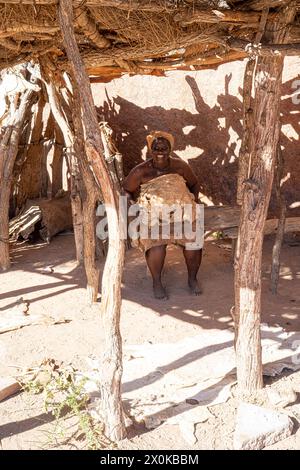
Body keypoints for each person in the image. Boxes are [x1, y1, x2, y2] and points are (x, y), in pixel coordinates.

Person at [123, 131, 202, 300]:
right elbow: (127, 190)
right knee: (157, 246)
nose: (160, 151)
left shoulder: (180, 166)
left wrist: (193, 199)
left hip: (182, 214)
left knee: (193, 243)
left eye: (164, 148)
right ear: (150, 150)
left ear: (170, 150)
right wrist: (134, 207)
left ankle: (192, 279)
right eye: (156, 148)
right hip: (154, 216)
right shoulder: (141, 171)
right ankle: (157, 283)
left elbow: (194, 183)